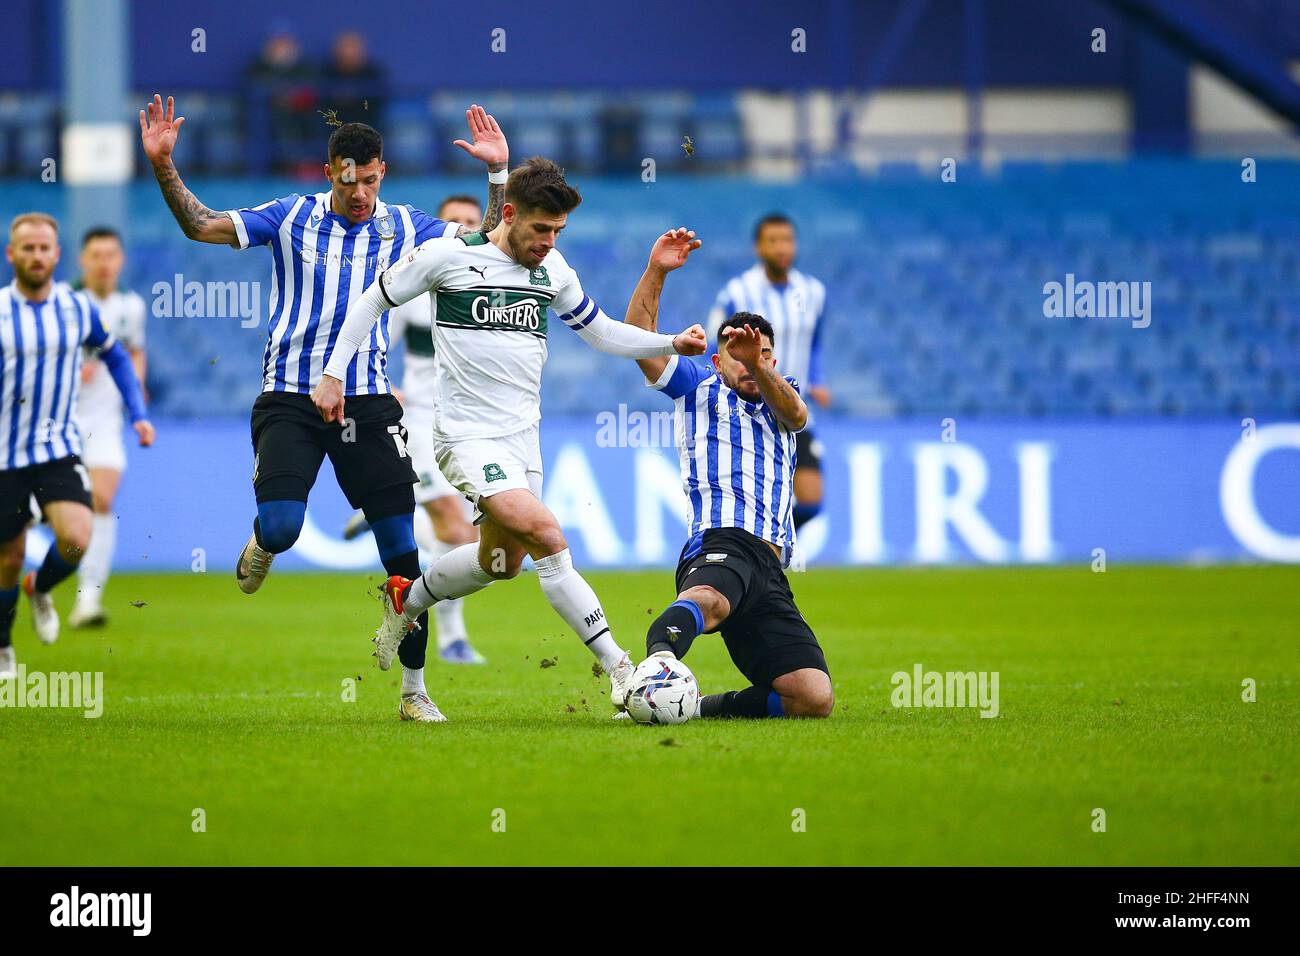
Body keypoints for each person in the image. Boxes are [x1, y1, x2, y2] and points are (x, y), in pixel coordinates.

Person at [139, 93, 508, 722]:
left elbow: (488, 241)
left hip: (366, 399)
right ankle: (261, 542)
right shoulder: (290, 216)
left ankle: (415, 692)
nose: (360, 192)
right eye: (349, 179)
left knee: (401, 548)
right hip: (289, 396)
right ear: (328, 170)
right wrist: (164, 165)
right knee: (282, 527)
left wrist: (497, 174)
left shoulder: (406, 226)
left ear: (382, 173)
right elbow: (200, 225)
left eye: (370, 179)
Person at [311, 157, 707, 716]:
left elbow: (600, 334)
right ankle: (619, 668)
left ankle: (406, 600)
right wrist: (333, 373)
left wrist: (669, 343)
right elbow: (374, 300)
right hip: (466, 438)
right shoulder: (450, 257)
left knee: (501, 563)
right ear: (511, 213)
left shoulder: (553, 272)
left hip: (524, 442)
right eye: (540, 229)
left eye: (557, 232)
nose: (547, 241)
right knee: (547, 533)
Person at [624, 227, 833, 718]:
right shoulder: (699, 388)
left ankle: (696, 709)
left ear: (773, 360)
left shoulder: (783, 393)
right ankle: (653, 671)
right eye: (736, 356)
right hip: (722, 540)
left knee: (811, 698)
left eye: (762, 355)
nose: (749, 364)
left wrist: (757, 366)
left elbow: (798, 416)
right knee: (708, 599)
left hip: (771, 568)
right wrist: (657, 270)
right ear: (717, 361)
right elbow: (637, 340)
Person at [0, 213, 154, 679]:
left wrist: (139, 413)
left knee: (76, 538)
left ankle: (40, 587)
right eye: (27, 248)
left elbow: (117, 355)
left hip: (57, 447)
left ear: (56, 255)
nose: (36, 255)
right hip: (5, 454)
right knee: (7, 555)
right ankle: (4, 645)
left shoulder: (75, 308)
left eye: (44, 248)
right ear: (12, 255)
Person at [342, 194, 486, 664]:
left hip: (470, 424)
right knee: (457, 529)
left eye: (471, 220)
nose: (463, 227)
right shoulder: (416, 291)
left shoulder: (489, 292)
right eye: (453, 221)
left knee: (465, 540)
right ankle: (452, 638)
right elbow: (372, 341)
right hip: (421, 421)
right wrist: (387, 389)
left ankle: (391, 516)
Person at [706, 213, 829, 533]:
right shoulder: (737, 292)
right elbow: (714, 345)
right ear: (758, 247)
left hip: (793, 408)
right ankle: (759, 550)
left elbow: (814, 341)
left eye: (787, 240)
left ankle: (769, 545)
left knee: (812, 501)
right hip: (750, 410)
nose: (781, 248)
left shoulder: (814, 292)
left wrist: (816, 380)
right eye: (773, 241)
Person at [68, 227, 148, 628]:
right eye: (95, 255)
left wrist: (137, 407)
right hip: (57, 420)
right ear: (82, 260)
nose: (103, 263)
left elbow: (135, 353)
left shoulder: (130, 307)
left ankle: (88, 601)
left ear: (120, 261)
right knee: (29, 514)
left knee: (102, 499)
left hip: (104, 419)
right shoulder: (66, 303)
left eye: (110, 255)